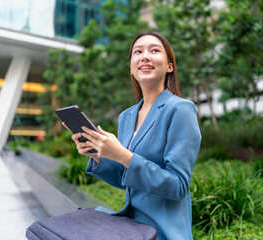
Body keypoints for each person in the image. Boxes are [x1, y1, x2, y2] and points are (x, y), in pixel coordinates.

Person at [66, 31, 201, 240]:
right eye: (138, 52)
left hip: (163, 231)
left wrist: (123, 156)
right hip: (130, 224)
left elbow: (178, 186)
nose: (145, 56)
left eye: (154, 50)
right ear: (131, 68)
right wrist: (98, 155)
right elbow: (127, 179)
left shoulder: (180, 110)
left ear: (169, 66)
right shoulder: (127, 117)